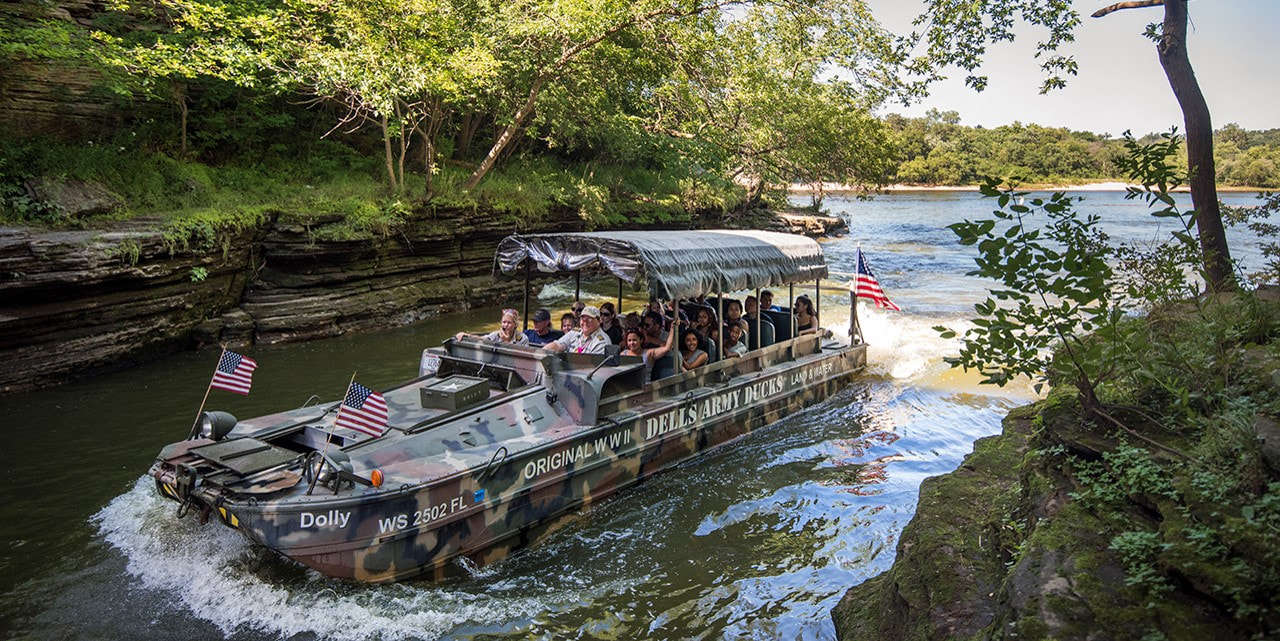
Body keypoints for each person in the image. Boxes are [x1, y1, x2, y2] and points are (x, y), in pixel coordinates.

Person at [621, 317, 679, 382]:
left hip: (645, 387)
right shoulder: (623, 354)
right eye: (629, 340)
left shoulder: (649, 353)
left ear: (641, 340)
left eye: (634, 340)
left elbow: (667, 348)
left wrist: (672, 328)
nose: (632, 343)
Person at [545, 305, 612, 354]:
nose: (585, 322)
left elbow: (592, 366)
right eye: (583, 318)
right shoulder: (574, 332)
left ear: (598, 321)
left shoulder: (602, 342)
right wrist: (542, 352)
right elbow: (558, 345)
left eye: (589, 319)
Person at [455, 308, 530, 346]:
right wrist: (467, 335)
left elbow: (522, 359)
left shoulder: (523, 339)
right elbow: (482, 339)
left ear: (515, 324)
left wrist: (506, 341)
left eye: (509, 323)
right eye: (504, 322)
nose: (506, 325)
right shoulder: (496, 335)